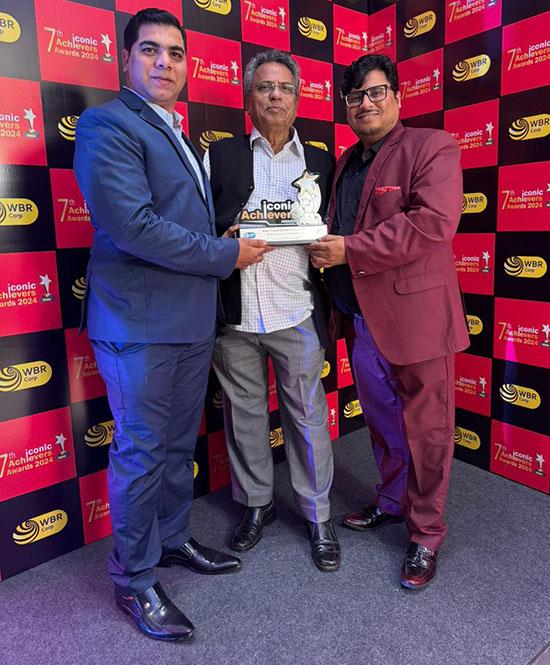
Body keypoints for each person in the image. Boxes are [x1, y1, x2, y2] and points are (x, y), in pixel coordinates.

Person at [73, 8, 271, 642]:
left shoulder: (175, 128)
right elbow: (132, 226)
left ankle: (172, 539)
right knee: (141, 453)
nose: (165, 62)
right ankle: (134, 580)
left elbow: (174, 220)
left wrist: (221, 238)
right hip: (139, 324)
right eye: (150, 50)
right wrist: (223, 254)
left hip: (188, 321)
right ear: (125, 59)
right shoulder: (108, 123)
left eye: (176, 52)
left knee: (178, 447)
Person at [308, 54, 469, 589]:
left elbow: (432, 223)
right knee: (382, 423)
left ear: (397, 97)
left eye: (376, 92)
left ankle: (426, 534)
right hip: (361, 322)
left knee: (428, 431)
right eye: (355, 97)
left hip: (416, 322)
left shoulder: (431, 146)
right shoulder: (347, 162)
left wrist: (348, 249)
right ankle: (394, 500)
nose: (366, 104)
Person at [204, 49, 340, 572]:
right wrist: (222, 242)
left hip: (296, 309)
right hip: (236, 314)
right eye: (264, 87)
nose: (275, 96)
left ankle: (318, 515)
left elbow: (336, 229)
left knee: (307, 417)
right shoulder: (220, 156)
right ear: (248, 98)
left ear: (299, 97)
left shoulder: (322, 161)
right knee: (243, 415)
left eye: (284, 87)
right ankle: (256, 504)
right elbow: (198, 230)